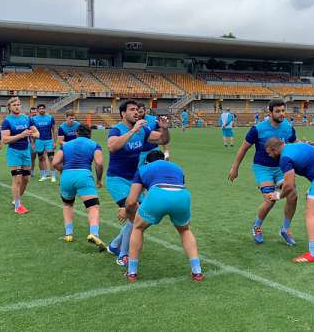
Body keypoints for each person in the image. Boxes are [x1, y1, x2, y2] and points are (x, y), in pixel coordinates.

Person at [106, 99, 170, 266]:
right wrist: (133, 130)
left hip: (134, 181)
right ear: (123, 113)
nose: (136, 112)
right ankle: (123, 255)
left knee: (140, 218)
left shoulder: (143, 130)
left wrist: (164, 128)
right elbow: (112, 147)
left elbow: (162, 140)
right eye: (132, 110)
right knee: (138, 218)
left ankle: (114, 246)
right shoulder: (116, 130)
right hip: (117, 180)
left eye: (137, 109)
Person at [124, 150, 203, 282]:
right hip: (182, 195)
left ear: (148, 161)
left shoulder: (143, 168)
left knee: (138, 228)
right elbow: (179, 185)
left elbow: (132, 201)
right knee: (185, 230)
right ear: (164, 159)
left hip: (158, 195)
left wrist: (126, 211)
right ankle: (197, 271)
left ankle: (132, 272)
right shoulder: (177, 167)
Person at [228, 99, 298, 246]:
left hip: (281, 168)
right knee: (270, 200)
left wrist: (305, 145)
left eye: (283, 111)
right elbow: (244, 148)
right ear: (270, 112)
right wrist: (235, 167)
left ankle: (285, 229)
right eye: (278, 111)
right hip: (262, 168)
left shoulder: (288, 127)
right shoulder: (258, 129)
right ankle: (257, 226)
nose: (281, 114)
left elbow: (294, 143)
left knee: (292, 194)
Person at [265, 139, 314, 263]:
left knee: (311, 213)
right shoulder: (295, 145)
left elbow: (289, 185)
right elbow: (313, 150)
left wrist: (278, 195)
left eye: (269, 153)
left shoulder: (284, 158)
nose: (269, 156)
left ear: (274, 150)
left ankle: (313, 254)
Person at [51, 124, 106, 250]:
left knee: (68, 204)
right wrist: (99, 179)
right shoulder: (94, 144)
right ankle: (94, 233)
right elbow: (99, 163)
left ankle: (68, 234)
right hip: (84, 175)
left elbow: (55, 162)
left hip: (66, 176)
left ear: (76, 133)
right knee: (93, 207)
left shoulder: (66, 145)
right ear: (90, 134)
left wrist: (64, 171)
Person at [1, 97, 39, 214]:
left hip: (26, 151)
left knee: (26, 179)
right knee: (17, 179)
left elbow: (37, 132)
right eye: (14, 105)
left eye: (18, 104)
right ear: (9, 107)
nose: (17, 107)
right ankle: (18, 206)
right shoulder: (7, 121)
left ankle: (17, 200)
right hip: (14, 152)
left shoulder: (27, 119)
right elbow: (5, 140)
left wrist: (33, 134)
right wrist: (21, 135)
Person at [31, 104, 57, 182]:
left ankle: (53, 176)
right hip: (39, 140)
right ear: (38, 110)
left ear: (45, 109)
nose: (41, 110)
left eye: (43, 108)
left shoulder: (50, 118)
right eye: (40, 109)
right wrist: (33, 143)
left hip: (49, 140)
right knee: (41, 158)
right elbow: (32, 131)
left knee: (51, 158)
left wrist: (54, 142)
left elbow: (54, 130)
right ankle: (44, 175)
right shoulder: (34, 119)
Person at [28, 106, 38, 177]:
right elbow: (30, 132)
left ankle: (31, 171)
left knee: (34, 158)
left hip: (39, 141)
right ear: (30, 113)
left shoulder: (37, 120)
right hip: (30, 141)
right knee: (30, 157)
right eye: (32, 112)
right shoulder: (28, 120)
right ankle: (28, 171)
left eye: (35, 112)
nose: (34, 113)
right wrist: (32, 143)